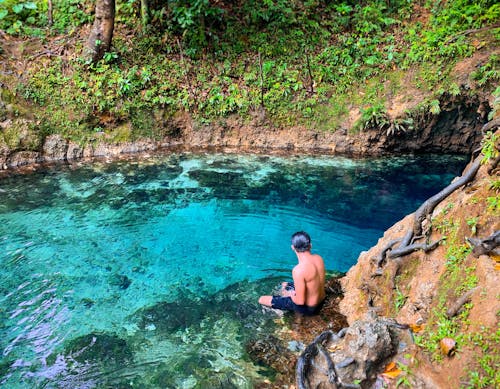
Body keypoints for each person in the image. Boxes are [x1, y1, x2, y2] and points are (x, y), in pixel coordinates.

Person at [259, 231, 326, 316]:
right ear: (310, 245)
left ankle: (282, 314)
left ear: (293, 247)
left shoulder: (298, 270)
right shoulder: (318, 258)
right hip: (321, 300)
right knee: (285, 284)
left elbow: (300, 301)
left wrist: (289, 295)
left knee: (261, 299)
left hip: (309, 309)